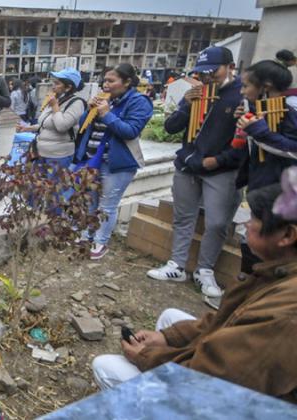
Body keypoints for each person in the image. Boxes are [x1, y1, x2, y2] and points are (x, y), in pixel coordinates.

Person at [92, 184, 297, 403]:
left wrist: (145, 357)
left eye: (255, 219)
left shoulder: (285, 317)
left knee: (106, 367)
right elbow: (226, 320)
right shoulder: (279, 273)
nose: (247, 224)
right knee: (170, 317)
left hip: (232, 402)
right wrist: (167, 338)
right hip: (231, 373)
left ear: (287, 234)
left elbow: (206, 378)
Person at [146, 47, 244, 298]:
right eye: (202, 73)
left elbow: (246, 142)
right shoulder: (196, 92)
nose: (207, 77)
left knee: (217, 223)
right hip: (188, 164)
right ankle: (177, 265)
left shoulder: (243, 93)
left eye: (213, 71)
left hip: (221, 169)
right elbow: (170, 127)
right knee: (183, 217)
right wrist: (186, 106)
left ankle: (205, 270)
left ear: (230, 67)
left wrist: (218, 160)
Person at [75, 63, 154, 260]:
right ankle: (87, 234)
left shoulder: (139, 102)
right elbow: (85, 126)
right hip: (93, 159)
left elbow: (131, 131)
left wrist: (107, 114)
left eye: (111, 80)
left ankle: (101, 241)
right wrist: (90, 110)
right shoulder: (105, 100)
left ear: (127, 82)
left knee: (107, 205)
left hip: (116, 163)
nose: (106, 84)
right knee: (91, 200)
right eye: (105, 80)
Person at [235, 60, 297, 272]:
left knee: (267, 246)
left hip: (281, 194)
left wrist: (258, 131)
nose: (242, 91)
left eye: (246, 86)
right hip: (260, 185)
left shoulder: (292, 110)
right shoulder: (258, 109)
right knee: (250, 240)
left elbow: (293, 149)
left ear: (266, 87)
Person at [17, 68, 87, 168]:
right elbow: (45, 123)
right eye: (53, 83)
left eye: (57, 83)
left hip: (58, 157)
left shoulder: (76, 103)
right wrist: (28, 128)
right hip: (40, 153)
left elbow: (61, 126)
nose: (53, 86)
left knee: (53, 183)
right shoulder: (57, 99)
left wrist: (54, 106)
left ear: (68, 87)